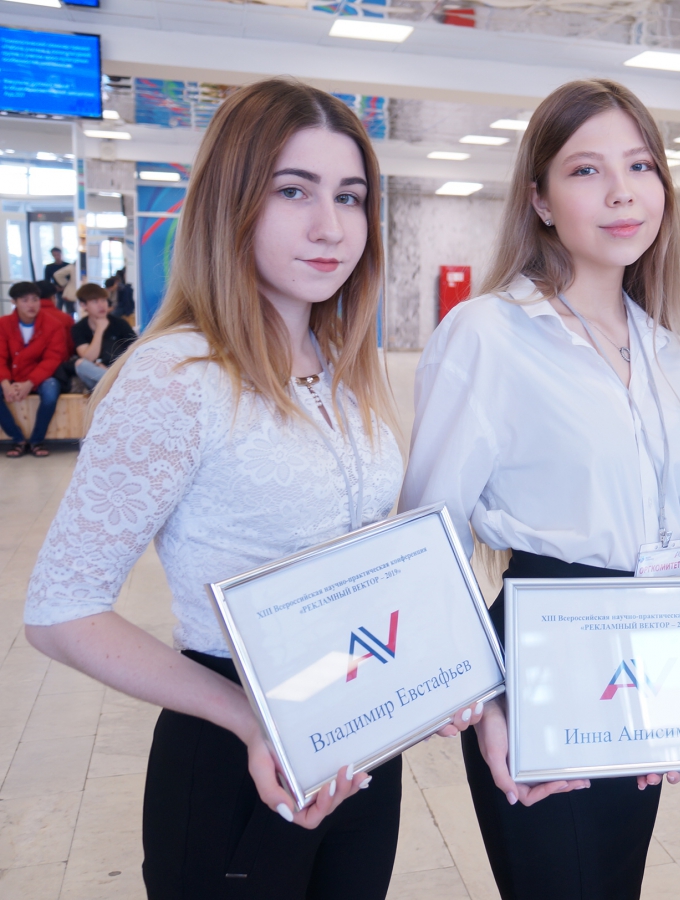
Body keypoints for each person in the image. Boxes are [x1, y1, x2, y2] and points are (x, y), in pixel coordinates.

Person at [23, 79, 466, 900]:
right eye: (293, 191)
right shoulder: (178, 378)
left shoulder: (342, 367)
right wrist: (247, 718)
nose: (330, 226)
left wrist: (434, 674)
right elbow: (60, 611)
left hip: (360, 740)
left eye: (349, 196)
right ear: (232, 203)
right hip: (235, 749)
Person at [399, 78, 680, 900]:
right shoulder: (488, 333)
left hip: (645, 658)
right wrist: (485, 701)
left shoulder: (669, 352)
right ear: (538, 199)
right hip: (543, 653)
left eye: (640, 166)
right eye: (585, 171)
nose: (621, 193)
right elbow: (427, 539)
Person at [1, 281, 67, 458]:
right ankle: (18, 439)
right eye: (25, 300)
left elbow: (53, 359)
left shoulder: (53, 325)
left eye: (35, 299)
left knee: (51, 390)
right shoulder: (3, 324)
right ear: (14, 302)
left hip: (40, 377)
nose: (31, 305)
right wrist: (5, 384)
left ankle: (37, 440)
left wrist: (30, 383)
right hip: (10, 376)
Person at [71, 282, 137, 389]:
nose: (101, 305)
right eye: (95, 301)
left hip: (120, 371)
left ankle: (117, 383)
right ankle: (119, 385)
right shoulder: (79, 328)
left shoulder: (120, 324)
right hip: (98, 378)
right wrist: (100, 329)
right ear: (83, 305)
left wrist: (110, 370)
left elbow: (135, 353)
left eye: (103, 300)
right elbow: (89, 358)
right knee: (80, 364)